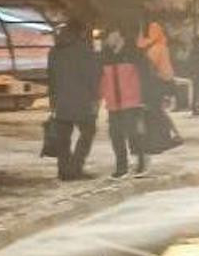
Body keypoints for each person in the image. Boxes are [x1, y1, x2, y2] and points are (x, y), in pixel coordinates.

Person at [46, 21, 100, 180]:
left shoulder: (54, 51)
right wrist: (95, 98)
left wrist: (53, 101)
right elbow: (92, 77)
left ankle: (64, 171)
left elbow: (51, 78)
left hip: (61, 101)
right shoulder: (84, 50)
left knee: (63, 137)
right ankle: (76, 167)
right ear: (80, 33)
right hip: (82, 101)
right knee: (88, 132)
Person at [99, 26, 149, 178]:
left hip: (131, 101)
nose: (107, 39)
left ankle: (141, 161)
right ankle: (121, 167)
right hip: (113, 103)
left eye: (109, 35)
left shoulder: (134, 53)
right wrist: (102, 95)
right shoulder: (105, 55)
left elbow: (146, 76)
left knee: (133, 134)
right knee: (116, 135)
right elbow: (102, 79)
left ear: (118, 34)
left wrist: (145, 98)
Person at [137, 21, 175, 110]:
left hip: (158, 77)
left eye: (152, 31)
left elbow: (151, 63)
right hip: (165, 76)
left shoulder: (156, 48)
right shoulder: (162, 45)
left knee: (155, 104)